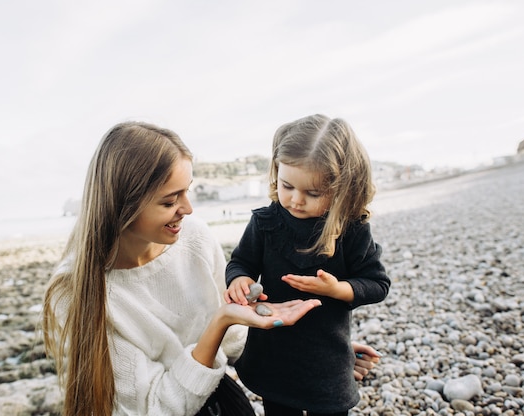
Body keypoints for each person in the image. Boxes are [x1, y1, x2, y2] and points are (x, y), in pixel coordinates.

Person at [42, 120, 379, 416]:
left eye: (187, 192)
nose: (188, 209)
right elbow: (155, 408)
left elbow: (235, 344)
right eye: (170, 201)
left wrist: (316, 355)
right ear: (122, 205)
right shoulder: (76, 291)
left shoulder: (194, 237)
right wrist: (220, 321)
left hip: (219, 400)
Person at [225, 114, 391, 416]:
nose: (296, 200)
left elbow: (378, 284)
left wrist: (338, 289)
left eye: (313, 193)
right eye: (287, 186)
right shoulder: (265, 222)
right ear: (277, 172)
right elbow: (241, 262)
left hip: (326, 360)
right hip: (273, 354)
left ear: (343, 188)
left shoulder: (351, 229)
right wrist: (239, 280)